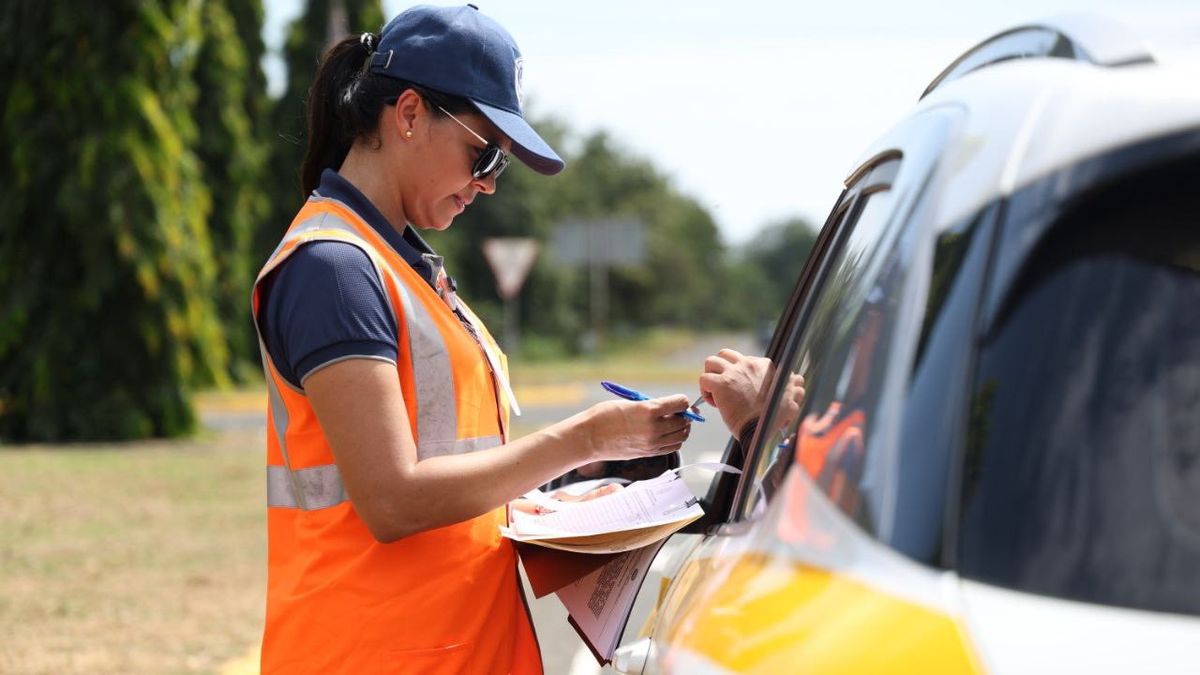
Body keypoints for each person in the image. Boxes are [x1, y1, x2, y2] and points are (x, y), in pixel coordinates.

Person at [250, 6, 700, 673]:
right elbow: (393, 498)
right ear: (407, 114)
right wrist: (586, 437)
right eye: (483, 151)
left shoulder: (403, 265)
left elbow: (452, 471)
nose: (489, 181)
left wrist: (573, 491)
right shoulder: (334, 269)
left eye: (502, 165)